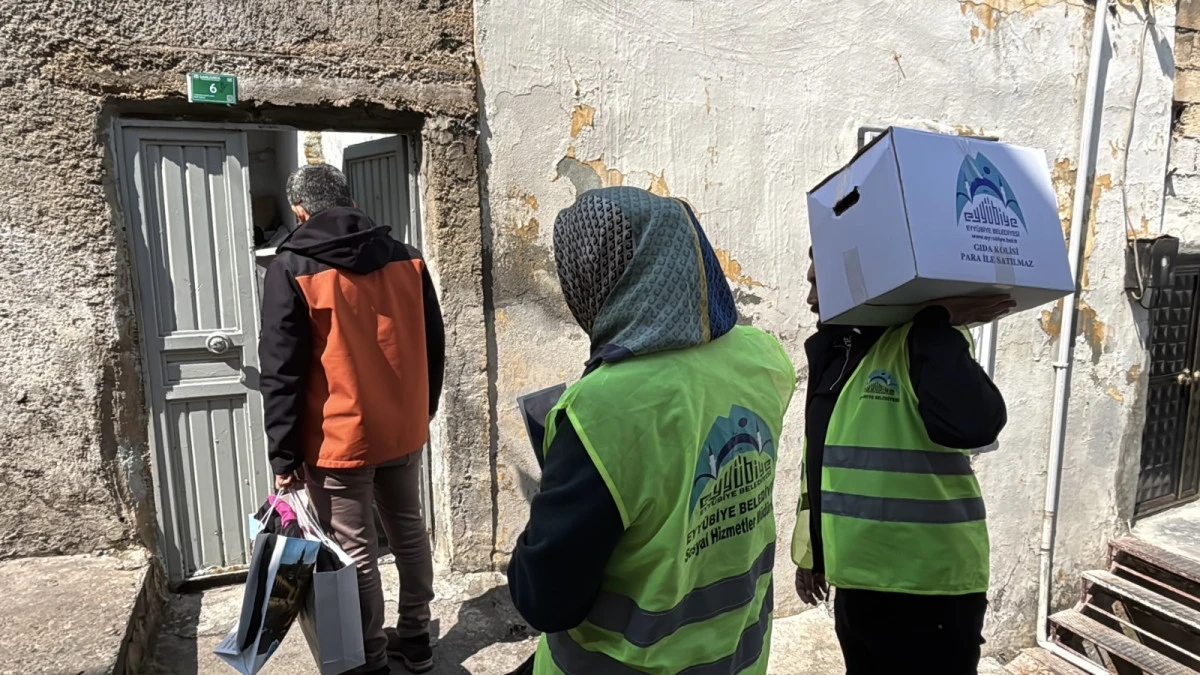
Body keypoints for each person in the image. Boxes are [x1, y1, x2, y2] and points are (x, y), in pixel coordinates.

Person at [507, 187, 796, 674]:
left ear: (592, 282)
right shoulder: (764, 357)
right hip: (738, 658)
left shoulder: (601, 407)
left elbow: (547, 601)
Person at [259, 163, 445, 675]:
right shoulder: (407, 258)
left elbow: (282, 370)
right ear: (350, 201)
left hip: (339, 438)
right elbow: (433, 342)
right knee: (409, 531)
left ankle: (372, 659)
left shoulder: (292, 267)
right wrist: (423, 408)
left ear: (300, 211)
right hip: (402, 427)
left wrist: (283, 455)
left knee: (355, 548)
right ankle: (417, 639)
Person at [792, 248, 1012, 675]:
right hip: (857, 585)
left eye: (819, 284)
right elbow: (823, 461)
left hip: (930, 592)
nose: (810, 298)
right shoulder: (836, 352)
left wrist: (935, 320)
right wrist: (815, 555)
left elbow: (974, 426)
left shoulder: (922, 342)